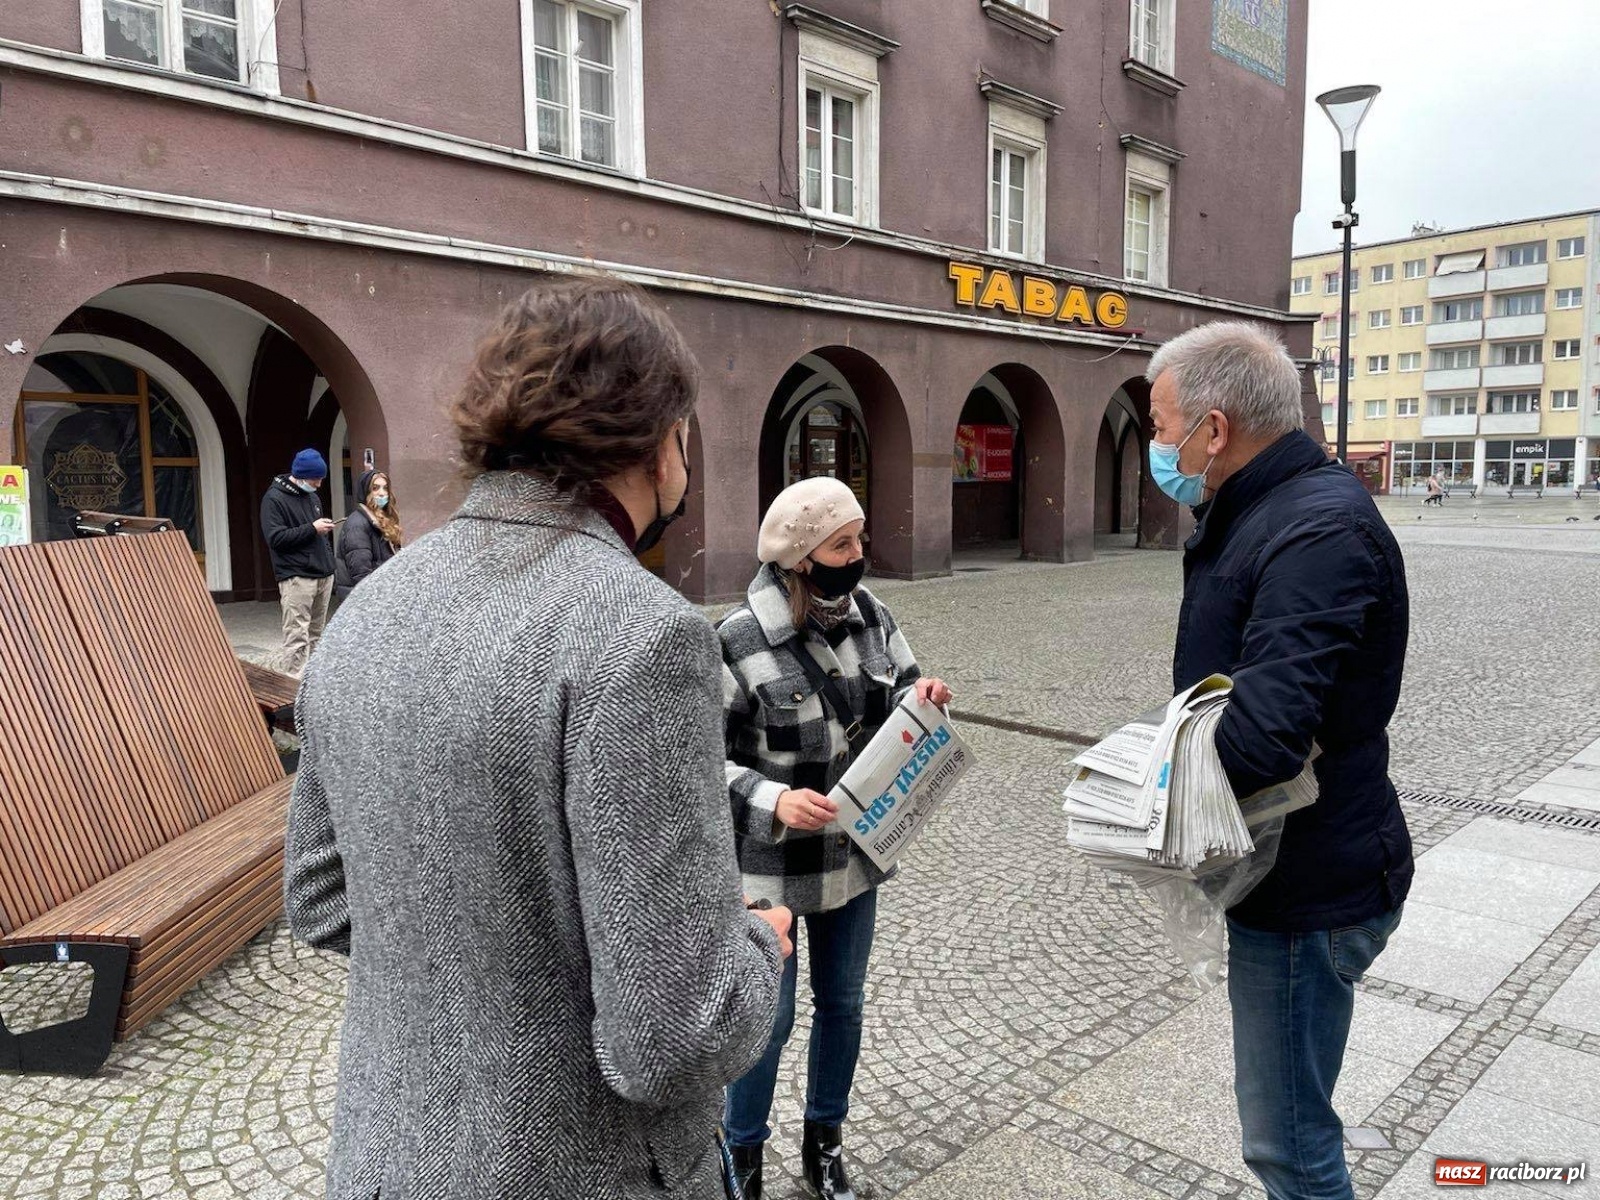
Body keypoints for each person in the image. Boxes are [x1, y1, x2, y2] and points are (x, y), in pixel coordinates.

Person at [284, 278, 791, 1200]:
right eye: (685, 433)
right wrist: (757, 946)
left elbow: (320, 898)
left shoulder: (369, 607)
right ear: (654, 440)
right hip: (579, 1168)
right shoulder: (643, 635)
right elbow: (672, 1038)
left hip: (383, 1161)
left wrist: (480, 951)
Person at [1145, 321, 1412, 1200]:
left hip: (1307, 887)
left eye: (1160, 426)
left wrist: (1146, 783)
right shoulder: (1271, 509)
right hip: (1294, 870)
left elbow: (1262, 737)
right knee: (1290, 1130)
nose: (1158, 446)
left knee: (1290, 1147)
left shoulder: (1313, 532)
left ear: (1213, 430)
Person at [719, 476, 953, 1200]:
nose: (858, 555)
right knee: (770, 1016)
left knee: (843, 1004)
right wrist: (775, 797)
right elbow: (697, 761)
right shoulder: (736, 639)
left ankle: (825, 1144)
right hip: (768, 867)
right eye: (841, 544)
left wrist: (925, 699)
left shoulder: (872, 615)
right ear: (799, 557)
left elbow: (905, 687)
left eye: (859, 540)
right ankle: (742, 1158)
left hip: (854, 851)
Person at [260, 448, 337, 676]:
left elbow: (313, 535)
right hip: (297, 577)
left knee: (317, 635)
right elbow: (276, 539)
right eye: (316, 479)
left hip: (323, 573)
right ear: (302, 475)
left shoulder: (312, 496)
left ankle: (314, 684)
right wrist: (312, 529)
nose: (319, 484)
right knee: (297, 636)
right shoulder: (273, 499)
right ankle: (292, 686)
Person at [335, 468, 403, 597]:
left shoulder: (382, 520)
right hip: (366, 599)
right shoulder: (357, 524)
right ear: (365, 492)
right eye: (375, 488)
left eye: (385, 488)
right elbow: (361, 573)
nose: (382, 493)